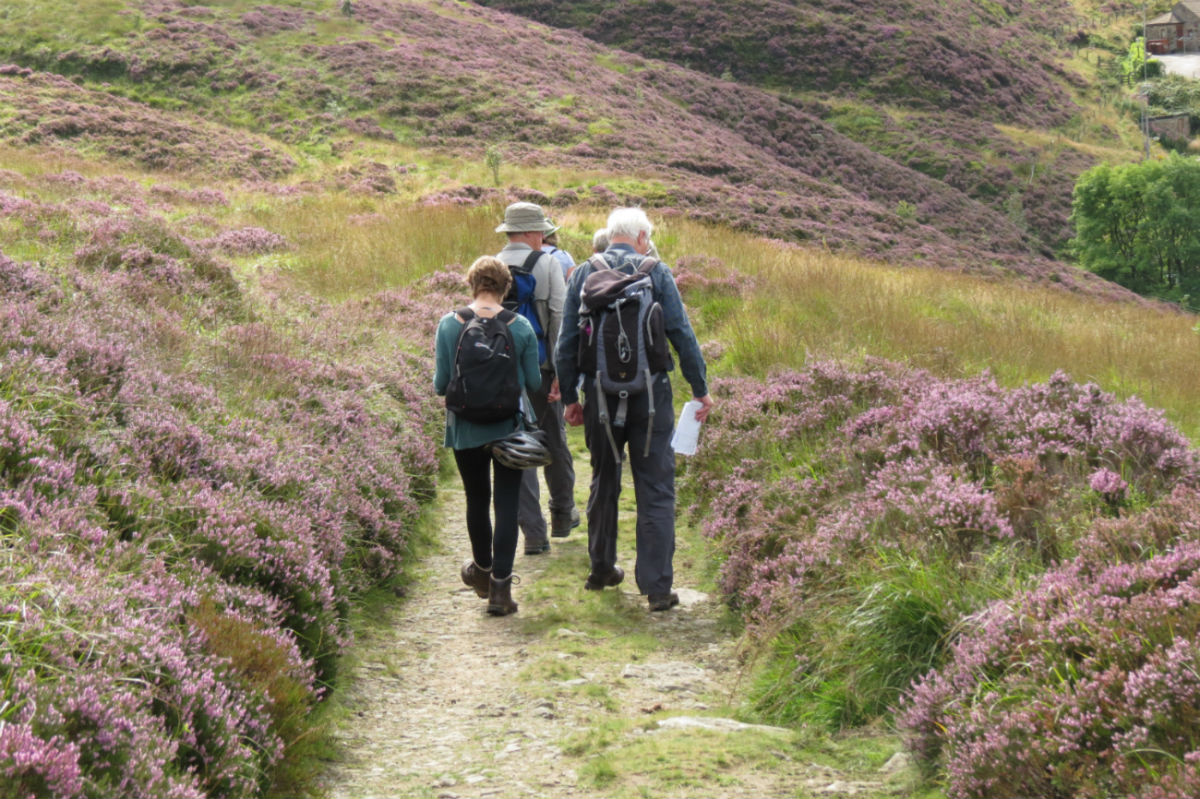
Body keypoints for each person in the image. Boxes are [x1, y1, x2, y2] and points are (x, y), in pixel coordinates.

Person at [556, 208, 714, 611]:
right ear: (642, 236)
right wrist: (700, 390)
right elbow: (681, 331)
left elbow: (567, 342)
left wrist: (572, 399)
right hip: (651, 397)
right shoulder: (656, 272)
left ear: (612, 237)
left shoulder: (585, 273)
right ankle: (657, 588)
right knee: (656, 488)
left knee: (603, 479)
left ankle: (601, 568)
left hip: (600, 395)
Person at [433, 256, 543, 615]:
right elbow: (533, 383)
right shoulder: (521, 325)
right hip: (508, 429)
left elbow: (440, 384)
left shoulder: (450, 324)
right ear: (505, 287)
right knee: (506, 503)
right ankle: (500, 591)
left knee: (476, 499)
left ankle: (482, 569)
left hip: (464, 429)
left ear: (472, 284)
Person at [494, 202, 579, 554]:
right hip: (541, 371)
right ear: (530, 232)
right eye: (540, 230)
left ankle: (533, 534)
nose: (543, 235)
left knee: (516, 444)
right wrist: (562, 372)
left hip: (500, 371)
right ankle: (561, 513)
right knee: (553, 438)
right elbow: (560, 318)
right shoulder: (546, 262)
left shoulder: (492, 263)